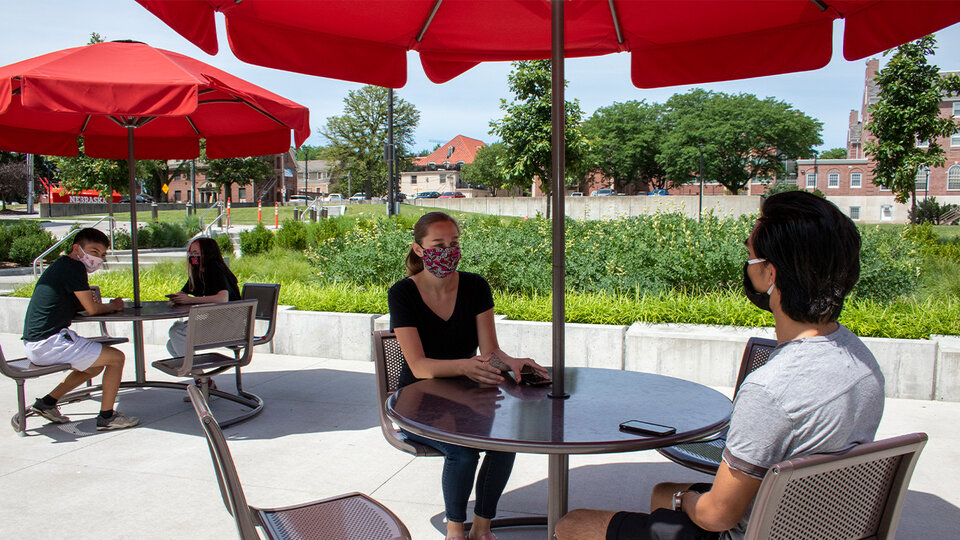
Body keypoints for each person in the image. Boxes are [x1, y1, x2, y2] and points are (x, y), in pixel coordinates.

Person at [555, 191, 886, 540]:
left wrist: (686, 501)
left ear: (771, 274)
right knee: (662, 494)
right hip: (812, 520)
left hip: (747, 532)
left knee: (573, 523)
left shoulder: (771, 389)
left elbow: (717, 516)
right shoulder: (861, 361)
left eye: (751, 256)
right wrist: (681, 499)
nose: (748, 265)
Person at [388, 211, 549, 540]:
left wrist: (512, 362)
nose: (448, 250)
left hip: (465, 393)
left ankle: (482, 528)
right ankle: (455, 533)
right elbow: (418, 366)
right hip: (417, 399)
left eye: (454, 243)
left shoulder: (475, 286)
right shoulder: (402, 293)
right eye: (438, 244)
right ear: (419, 249)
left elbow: (490, 351)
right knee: (462, 450)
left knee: (504, 443)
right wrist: (465, 365)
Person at [22, 227, 140, 431]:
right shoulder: (73, 267)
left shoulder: (62, 266)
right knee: (116, 358)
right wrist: (114, 306)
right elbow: (92, 309)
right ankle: (107, 417)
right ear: (77, 248)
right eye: (93, 251)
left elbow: (74, 304)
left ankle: (47, 403)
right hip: (49, 342)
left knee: (93, 366)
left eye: (102, 254)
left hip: (36, 342)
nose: (98, 258)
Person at [165, 236, 241, 358]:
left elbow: (223, 298)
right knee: (172, 344)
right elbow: (184, 292)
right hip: (215, 322)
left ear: (207, 253)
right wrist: (177, 297)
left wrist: (190, 300)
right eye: (190, 253)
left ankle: (198, 375)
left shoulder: (215, 268)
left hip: (228, 326)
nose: (191, 257)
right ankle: (199, 375)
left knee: (177, 332)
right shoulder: (200, 272)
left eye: (195, 253)